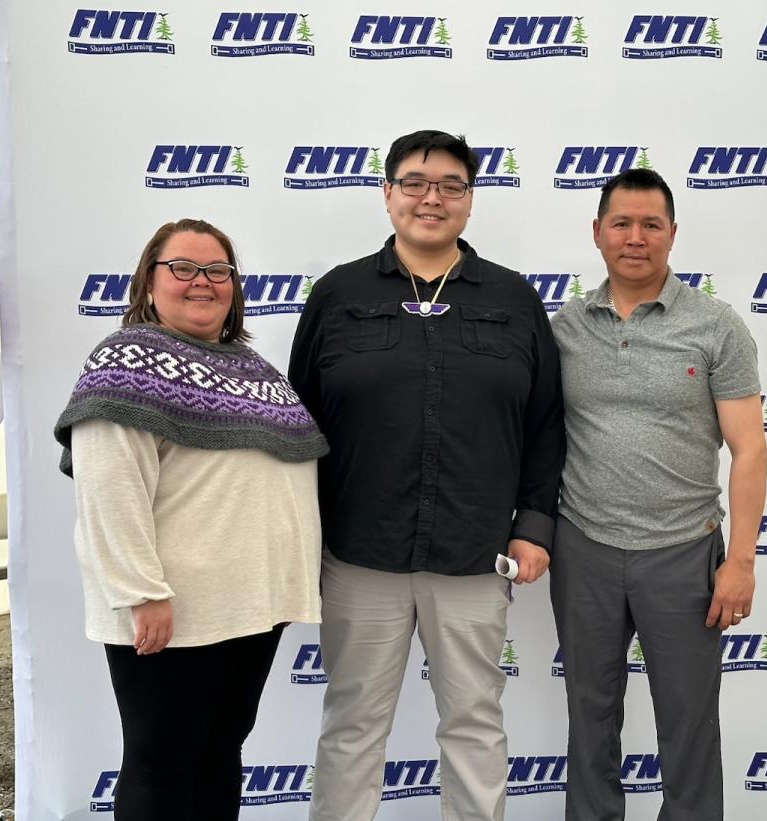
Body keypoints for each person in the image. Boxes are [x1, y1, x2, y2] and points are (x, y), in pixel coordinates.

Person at [288, 130, 565, 821]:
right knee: (352, 727)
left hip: (475, 555)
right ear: (387, 195)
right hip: (358, 556)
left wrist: (534, 527)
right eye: (414, 182)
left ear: (470, 200)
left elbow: (546, 424)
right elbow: (298, 423)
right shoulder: (337, 294)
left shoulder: (514, 299)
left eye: (450, 185)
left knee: (474, 724)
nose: (431, 197)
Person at [54, 219, 328, 821]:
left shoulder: (250, 366)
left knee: (219, 751)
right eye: (182, 268)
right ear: (149, 282)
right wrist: (139, 591)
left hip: (251, 608)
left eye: (218, 270)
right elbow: (109, 487)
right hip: (172, 609)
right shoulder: (125, 361)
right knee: (162, 763)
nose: (202, 281)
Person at [550, 169, 767, 820]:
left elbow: (750, 447)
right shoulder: (565, 327)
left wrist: (742, 561)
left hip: (684, 555)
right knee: (590, 718)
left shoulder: (716, 326)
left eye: (651, 224)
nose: (636, 237)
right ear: (597, 233)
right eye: (621, 223)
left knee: (689, 725)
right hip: (583, 548)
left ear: (673, 233)